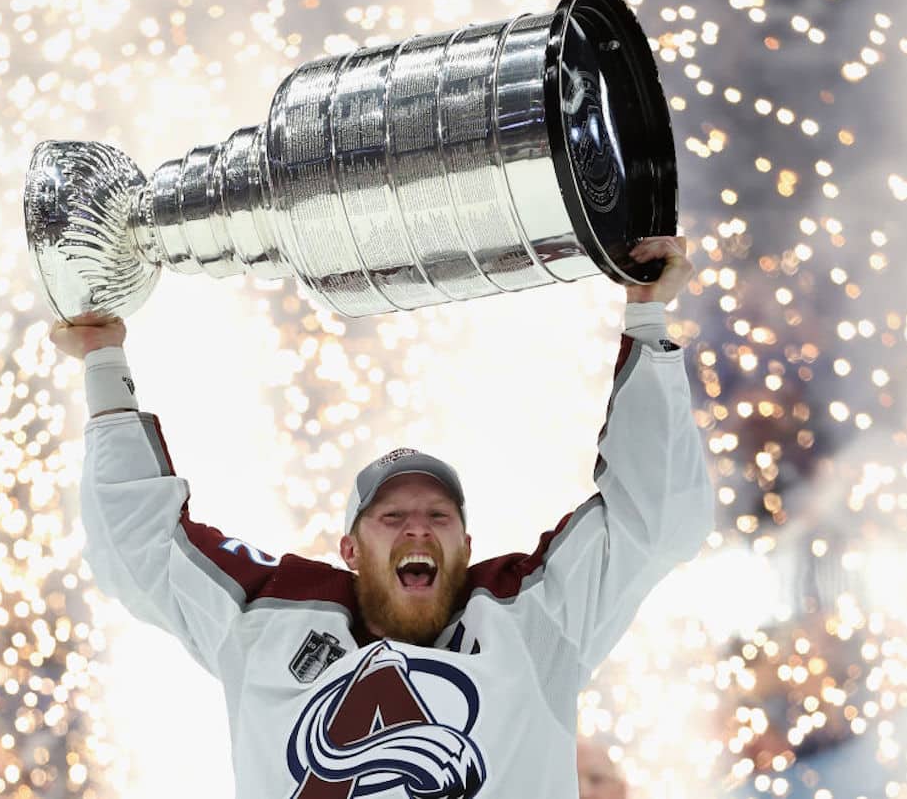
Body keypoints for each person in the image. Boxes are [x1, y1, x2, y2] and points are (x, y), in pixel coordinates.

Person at [50, 235, 713, 799]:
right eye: (391, 516)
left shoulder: (532, 623)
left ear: (468, 543)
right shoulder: (267, 625)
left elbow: (655, 518)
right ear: (349, 550)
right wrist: (103, 359)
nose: (418, 528)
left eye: (438, 515)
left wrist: (646, 314)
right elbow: (137, 549)